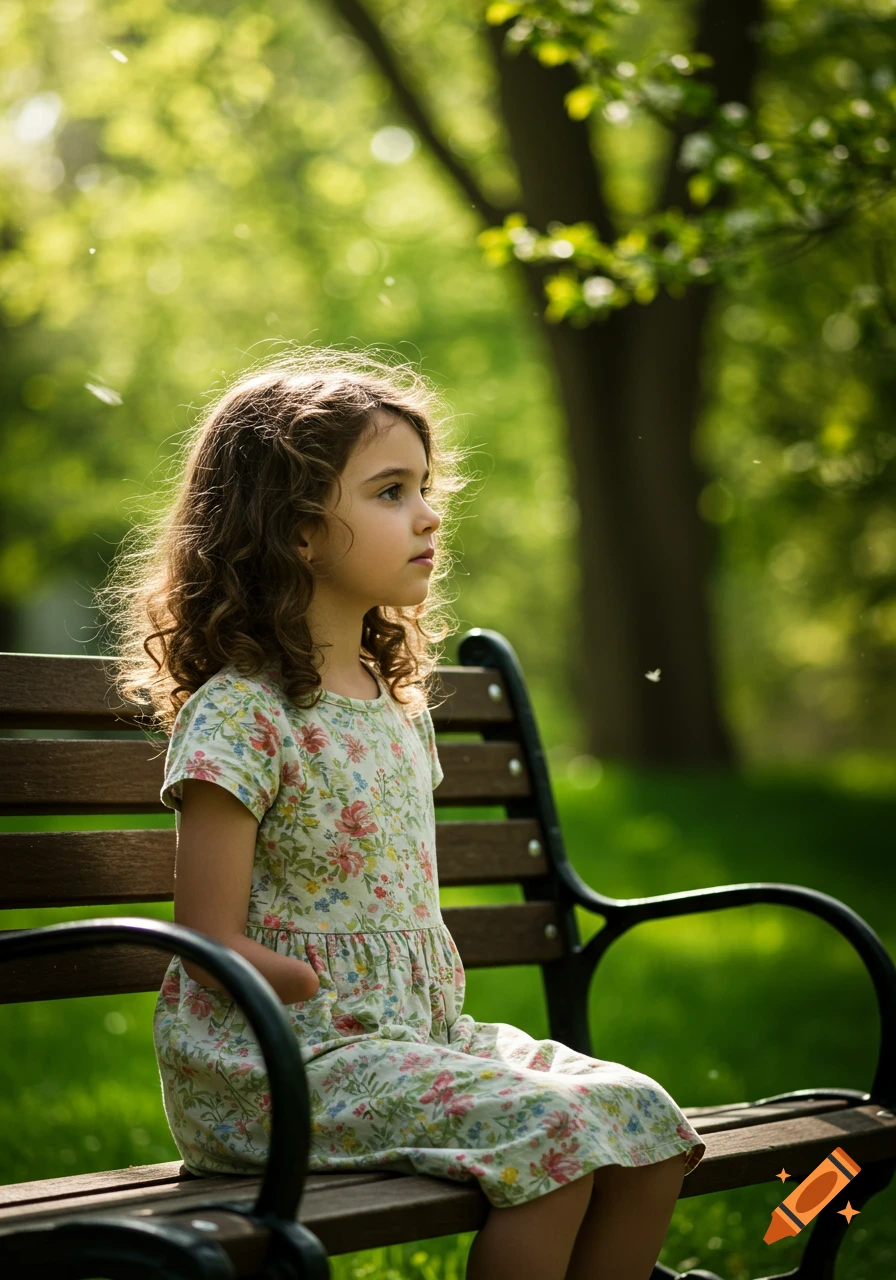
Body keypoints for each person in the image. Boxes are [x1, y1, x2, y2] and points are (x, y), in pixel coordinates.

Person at [99, 344, 706, 1280]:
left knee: (647, 1121)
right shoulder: (243, 713)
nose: (428, 515)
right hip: (280, 1067)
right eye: (390, 492)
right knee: (555, 1137)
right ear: (296, 530)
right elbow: (207, 940)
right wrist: (301, 979)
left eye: (425, 487)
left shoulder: (389, 699)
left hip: (411, 1042)